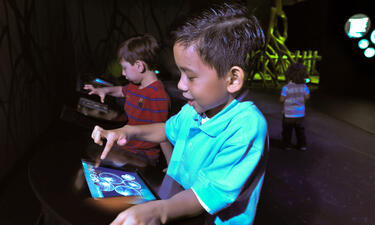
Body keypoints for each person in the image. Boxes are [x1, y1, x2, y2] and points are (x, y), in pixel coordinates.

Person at [91, 3, 267, 225]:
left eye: (190, 76)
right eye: (180, 73)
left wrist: (159, 212)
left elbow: (204, 195)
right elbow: (165, 129)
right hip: (175, 205)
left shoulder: (246, 127)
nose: (181, 85)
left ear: (232, 79)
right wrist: (127, 131)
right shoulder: (194, 109)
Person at [84, 34, 173, 166]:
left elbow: (163, 133)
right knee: (91, 151)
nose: (123, 73)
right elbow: (121, 91)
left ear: (139, 66)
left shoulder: (157, 95)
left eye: (125, 68)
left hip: (143, 154)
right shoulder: (134, 86)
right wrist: (105, 90)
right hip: (127, 146)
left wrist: (171, 166)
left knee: (100, 159)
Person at [280, 62, 310, 151]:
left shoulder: (286, 87)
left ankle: (287, 145)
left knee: (287, 131)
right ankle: (302, 145)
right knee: (300, 131)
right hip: (300, 114)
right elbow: (307, 97)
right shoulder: (304, 87)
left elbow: (282, 99)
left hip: (288, 114)